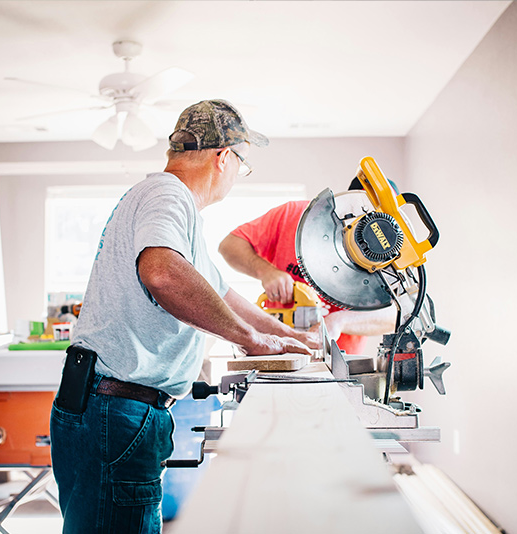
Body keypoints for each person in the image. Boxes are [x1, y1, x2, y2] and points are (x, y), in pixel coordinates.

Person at [50, 99, 318, 534]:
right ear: (224, 157)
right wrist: (251, 340)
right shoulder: (167, 193)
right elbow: (161, 273)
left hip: (111, 407)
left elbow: (223, 293)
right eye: (242, 164)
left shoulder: (175, 210)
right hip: (115, 411)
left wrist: (287, 336)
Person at [218, 178, 398, 355]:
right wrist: (265, 271)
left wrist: (339, 321)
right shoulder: (294, 215)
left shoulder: (389, 255)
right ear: (347, 200)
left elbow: (396, 316)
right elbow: (229, 245)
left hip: (340, 362)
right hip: (277, 350)